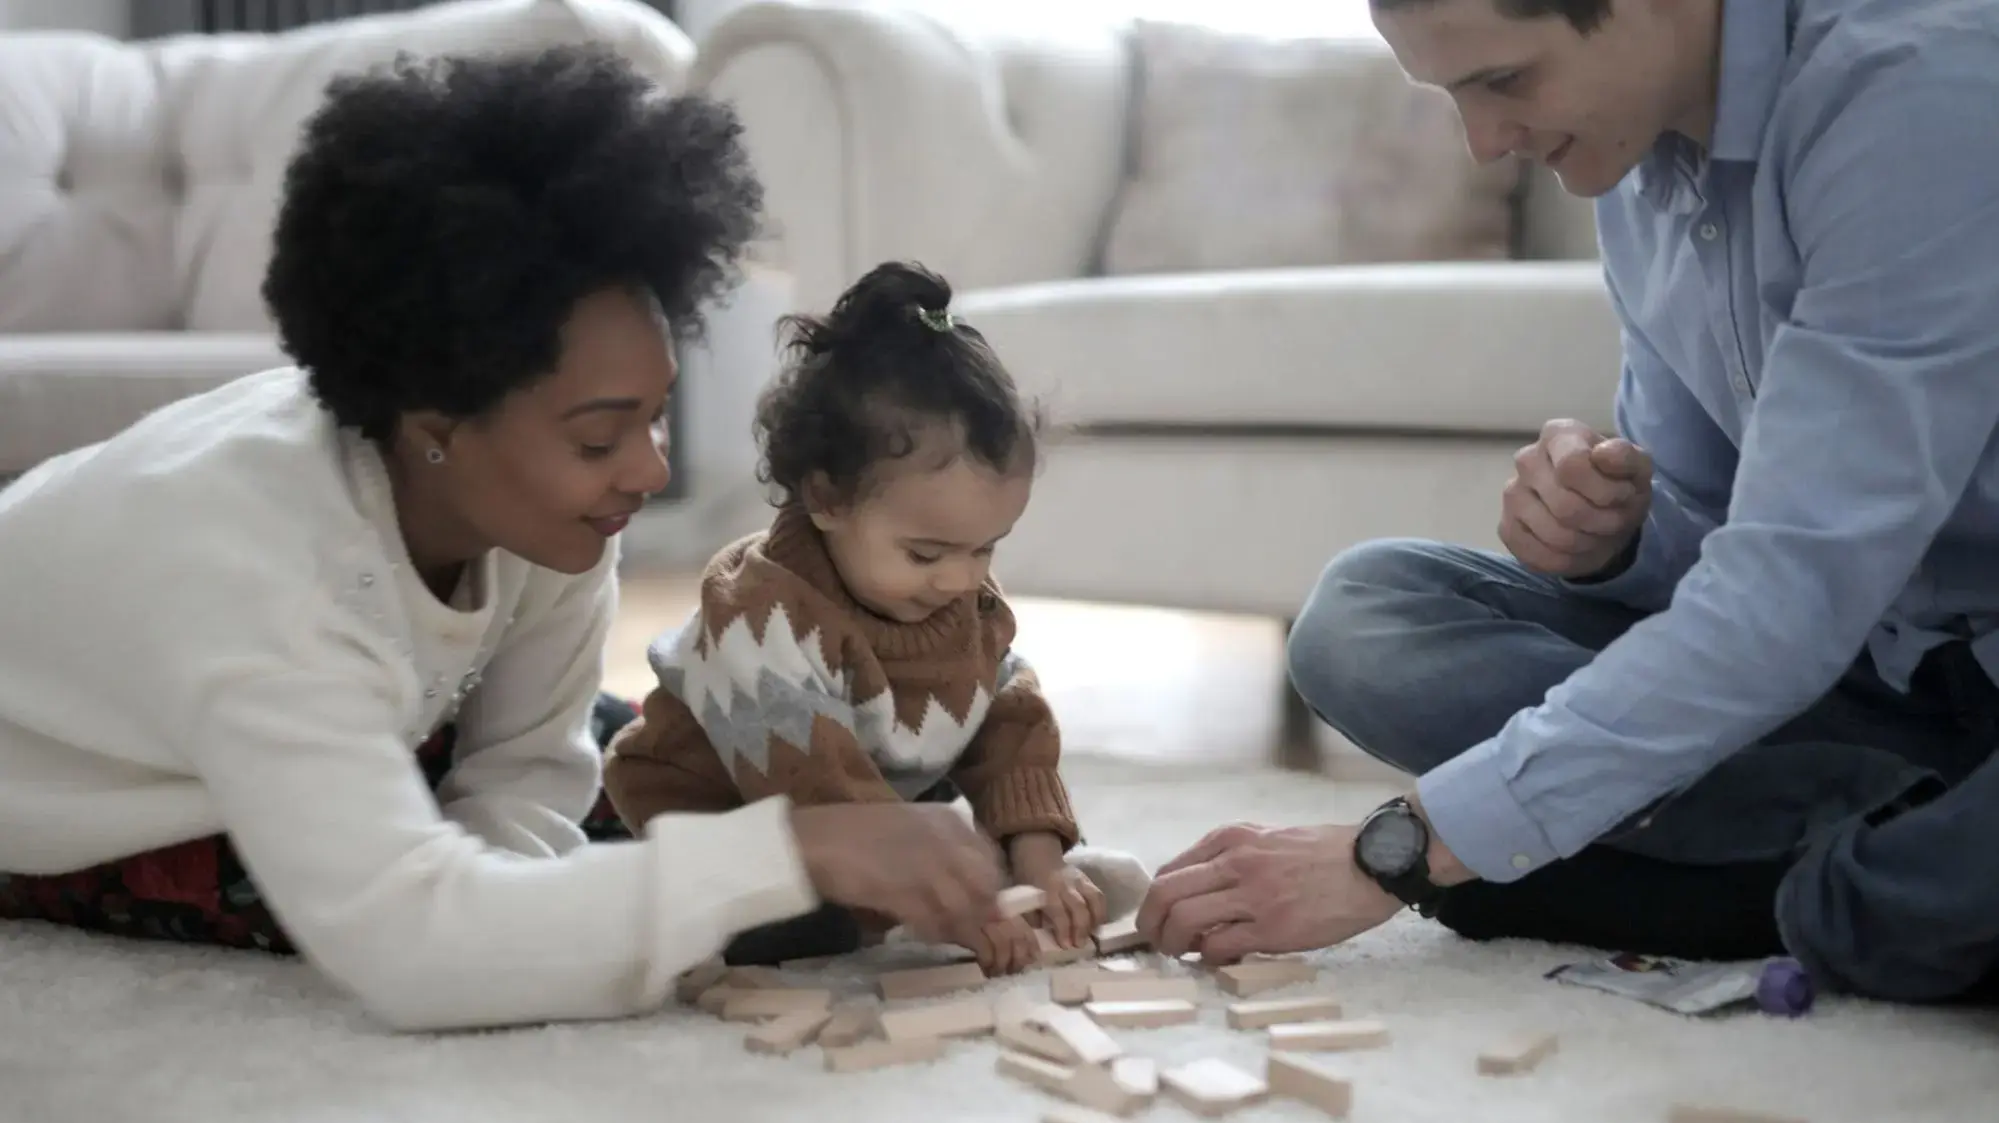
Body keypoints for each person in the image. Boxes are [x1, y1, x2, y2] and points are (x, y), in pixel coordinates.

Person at [0, 46, 1011, 1033]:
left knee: (677, 764)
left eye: (655, 416)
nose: (649, 470)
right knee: (718, 872)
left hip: (338, 697)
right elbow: (412, 949)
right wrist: (793, 852)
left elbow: (530, 769)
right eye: (600, 436)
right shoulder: (257, 573)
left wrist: (536, 901)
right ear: (435, 428)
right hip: (79, 787)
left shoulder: (542, 506)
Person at [1137, 0, 1999, 1005]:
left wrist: (1401, 851)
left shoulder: (1915, 93)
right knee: (1365, 614)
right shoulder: (1634, 160)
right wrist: (1615, 540)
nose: (1485, 143)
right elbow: (1721, 538)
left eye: (1504, 81)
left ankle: (1813, 892)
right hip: (1875, 681)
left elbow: (1787, 598)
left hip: (1882, 646)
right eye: (1453, 95)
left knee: (1906, 896)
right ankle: (1868, 850)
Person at [604, 260, 1151, 975]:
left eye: (985, 547)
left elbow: (1010, 724)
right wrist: (967, 906)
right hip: (720, 812)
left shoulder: (959, 600)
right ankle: (604, 816)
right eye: (927, 552)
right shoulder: (762, 614)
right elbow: (826, 804)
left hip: (857, 805)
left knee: (991, 739)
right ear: (826, 499)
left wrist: (1038, 859)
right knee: (790, 931)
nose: (962, 578)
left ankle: (1003, 866)